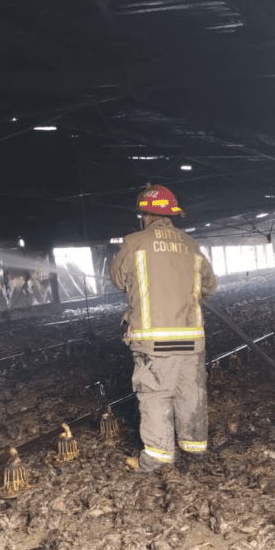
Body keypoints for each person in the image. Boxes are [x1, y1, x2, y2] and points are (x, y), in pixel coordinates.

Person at [110, 184, 217, 472]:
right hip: (192, 339)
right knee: (191, 393)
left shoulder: (135, 242)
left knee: (156, 396)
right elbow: (209, 286)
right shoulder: (191, 244)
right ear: (171, 214)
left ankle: (157, 458)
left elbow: (118, 279)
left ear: (145, 215)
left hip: (154, 340)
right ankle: (194, 447)